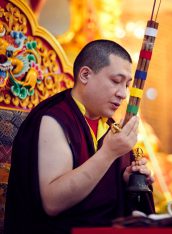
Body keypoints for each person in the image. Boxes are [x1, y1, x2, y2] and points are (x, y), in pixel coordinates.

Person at [4, 40, 155, 234]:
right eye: (116, 81)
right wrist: (108, 153)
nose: (123, 94)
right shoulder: (54, 118)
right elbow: (53, 202)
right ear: (85, 75)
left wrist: (130, 181)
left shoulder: (109, 127)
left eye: (127, 85)